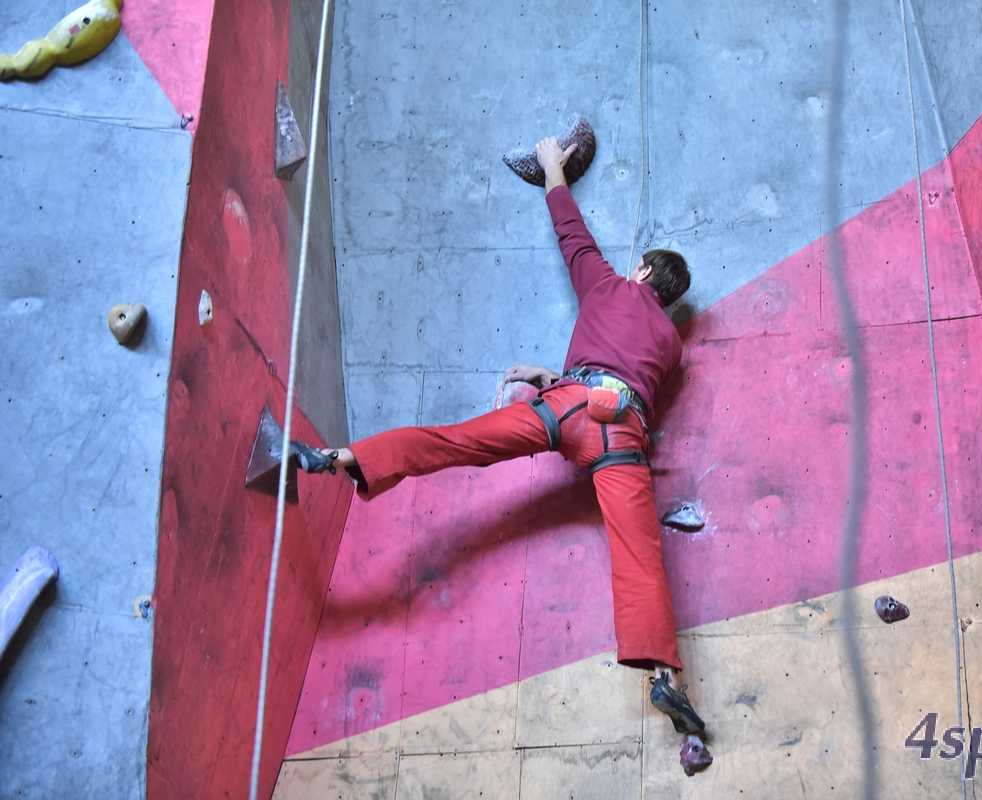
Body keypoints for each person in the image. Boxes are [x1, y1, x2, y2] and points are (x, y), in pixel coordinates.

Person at [293, 137, 709, 767]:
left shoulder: (609, 288)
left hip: (567, 409)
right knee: (639, 554)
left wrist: (550, 165)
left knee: (457, 443)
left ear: (644, 273)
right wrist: (555, 374)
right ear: (672, 300)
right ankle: (663, 680)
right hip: (621, 431)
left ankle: (349, 459)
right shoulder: (673, 348)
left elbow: (572, 233)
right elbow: (628, 376)